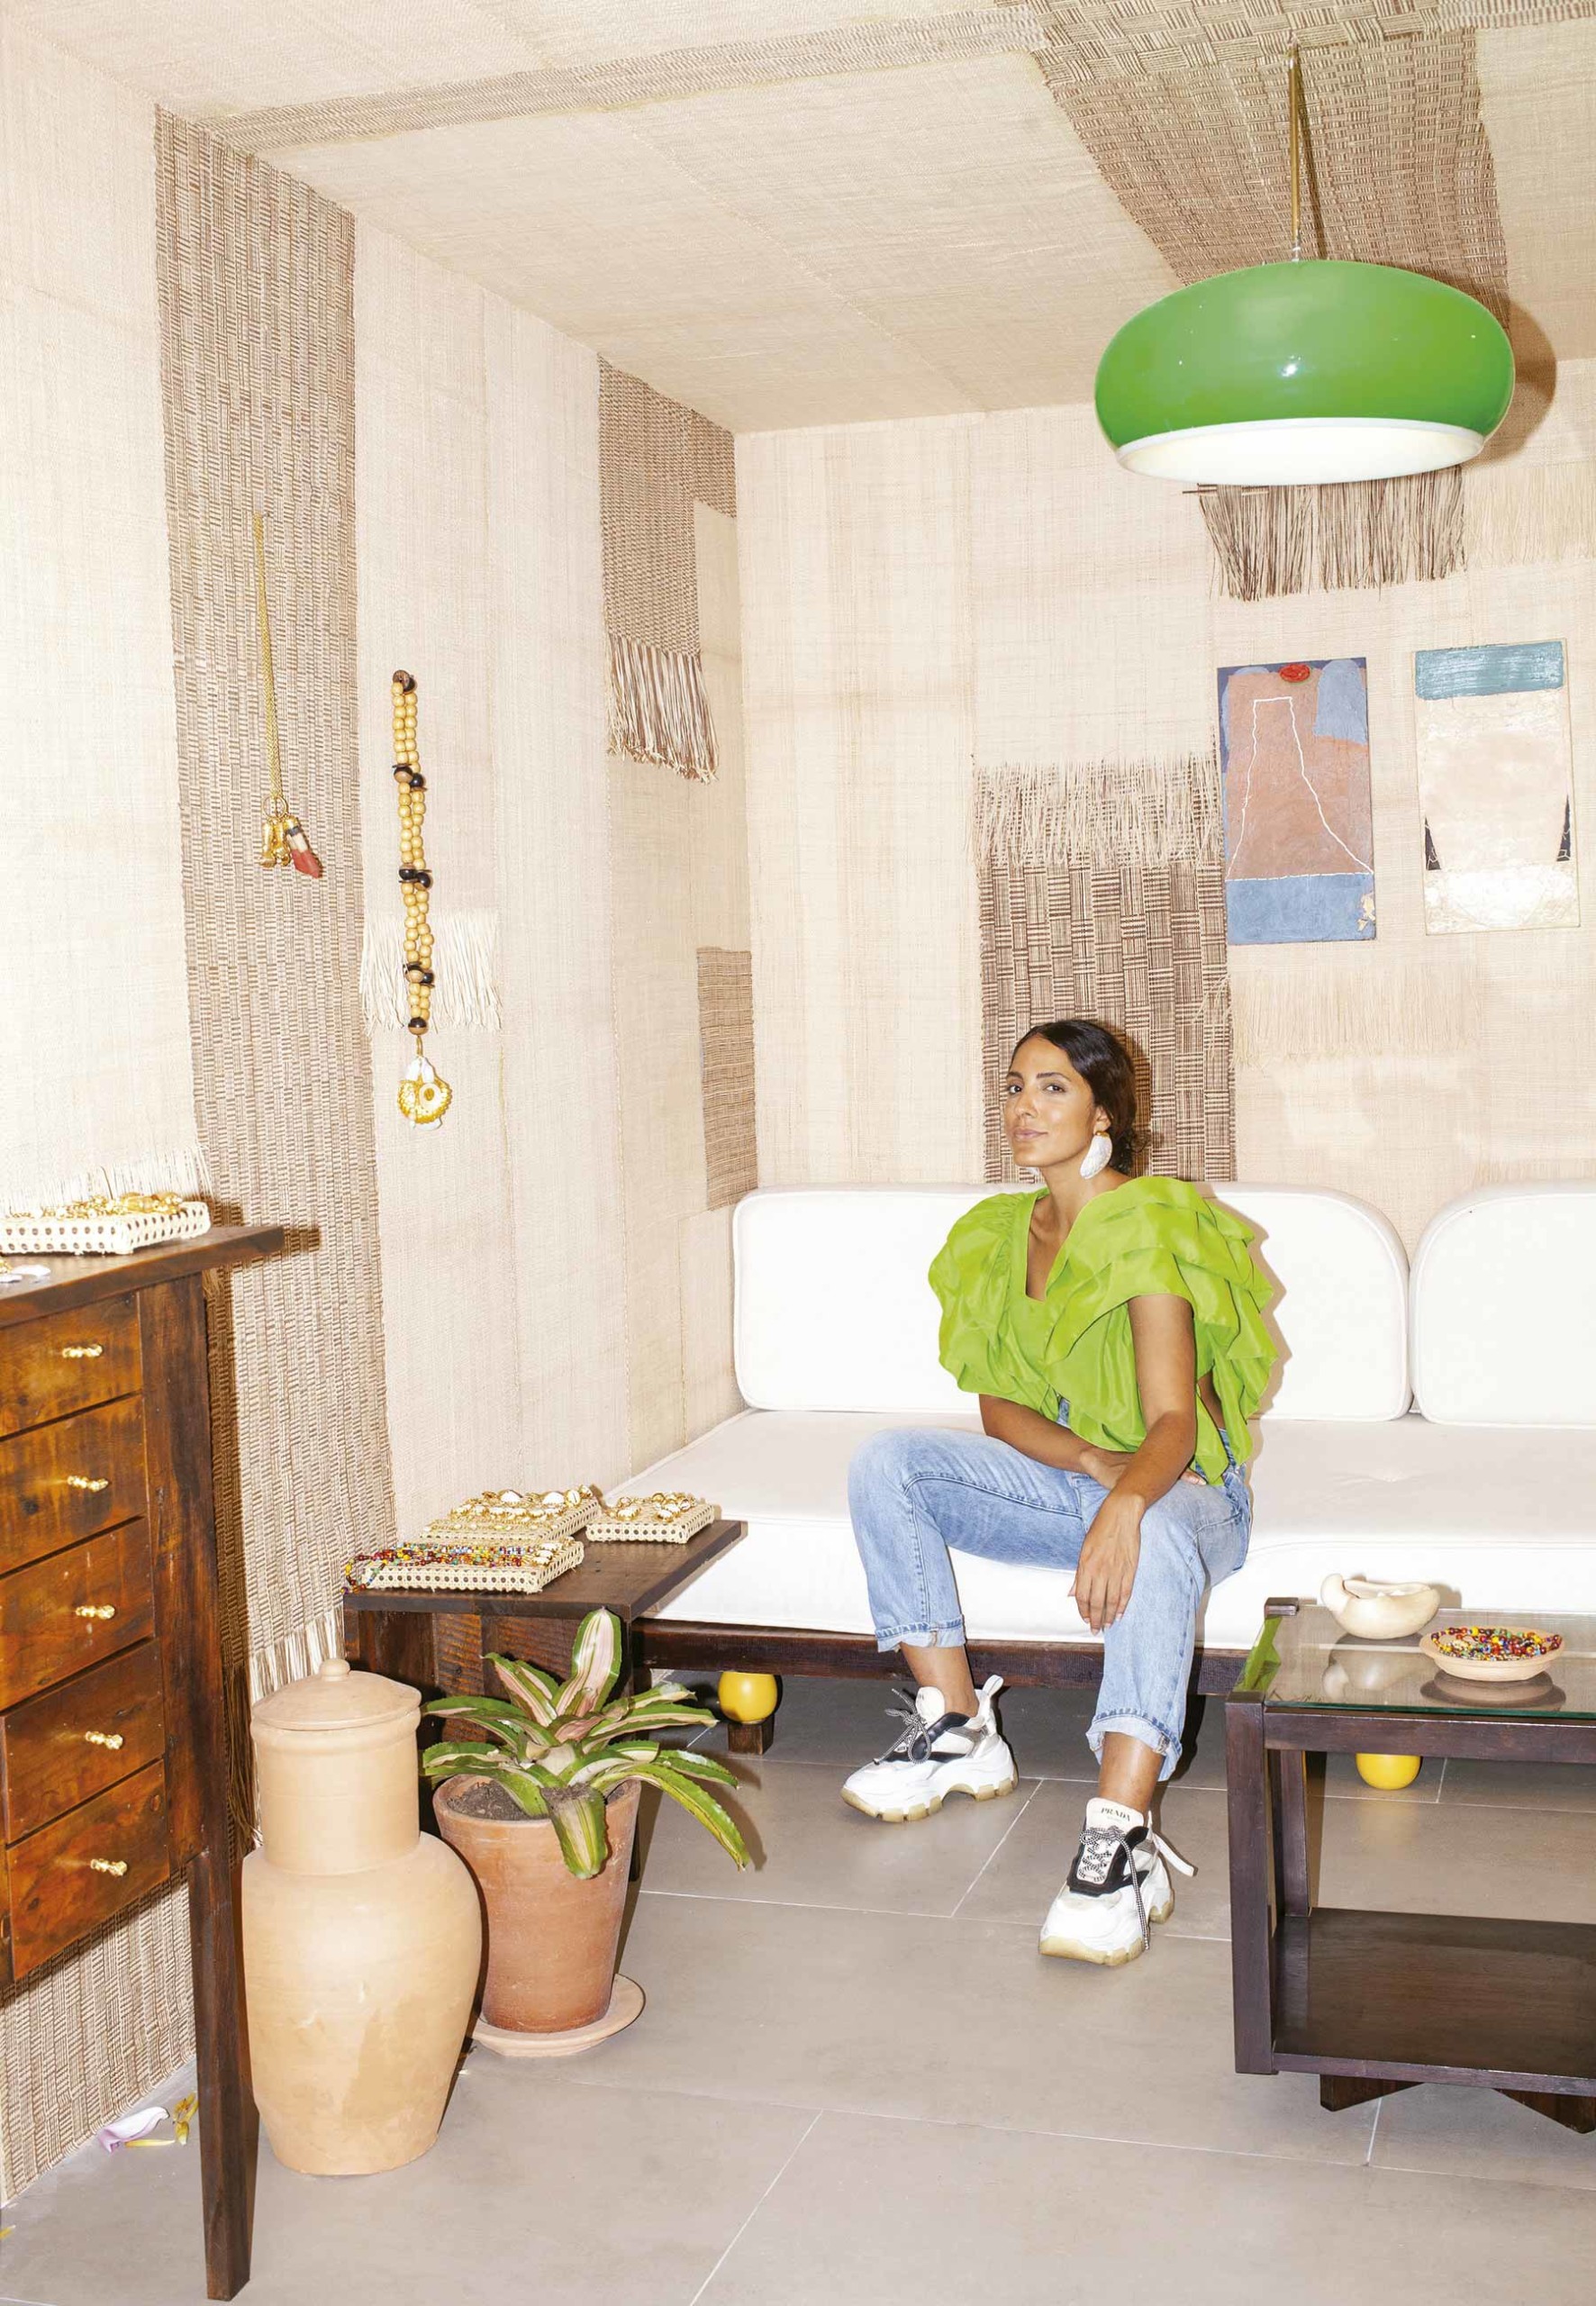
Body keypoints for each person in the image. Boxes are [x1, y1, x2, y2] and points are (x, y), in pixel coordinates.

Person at [841, 1019, 1276, 1966]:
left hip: (1186, 1490)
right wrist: (1090, 1467)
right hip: (1080, 1480)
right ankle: (957, 1728)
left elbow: (1174, 1421)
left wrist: (1126, 1504)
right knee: (890, 1462)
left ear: (1104, 1112)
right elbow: (999, 1409)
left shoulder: (1150, 1221)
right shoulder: (999, 1235)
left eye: (1051, 1088)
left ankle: (1120, 1839)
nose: (1022, 1108)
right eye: (1013, 1086)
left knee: (1157, 1530)